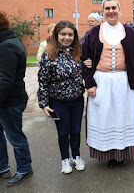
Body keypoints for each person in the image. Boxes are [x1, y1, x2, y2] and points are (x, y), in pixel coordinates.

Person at [81, 0, 134, 167]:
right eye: (107, 8)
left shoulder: (132, 33)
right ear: (103, 12)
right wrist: (89, 84)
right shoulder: (92, 33)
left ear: (119, 11)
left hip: (124, 81)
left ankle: (122, 153)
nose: (110, 11)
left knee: (122, 116)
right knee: (104, 118)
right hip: (101, 81)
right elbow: (84, 60)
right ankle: (108, 154)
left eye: (113, 8)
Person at [38, 20, 85, 174]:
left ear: (74, 36)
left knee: (76, 130)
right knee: (63, 132)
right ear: (56, 35)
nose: (67, 37)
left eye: (70, 34)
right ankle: (65, 160)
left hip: (77, 100)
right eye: (63, 34)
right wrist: (44, 103)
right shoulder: (49, 55)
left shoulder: (78, 53)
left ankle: (76, 156)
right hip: (57, 102)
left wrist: (89, 64)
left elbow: (85, 71)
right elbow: (43, 80)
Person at [0, 10, 33, 186]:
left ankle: (24, 168)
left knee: (15, 137)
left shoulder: (7, 46)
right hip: (5, 100)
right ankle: (2, 168)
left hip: (10, 101)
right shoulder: (5, 42)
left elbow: (5, 79)